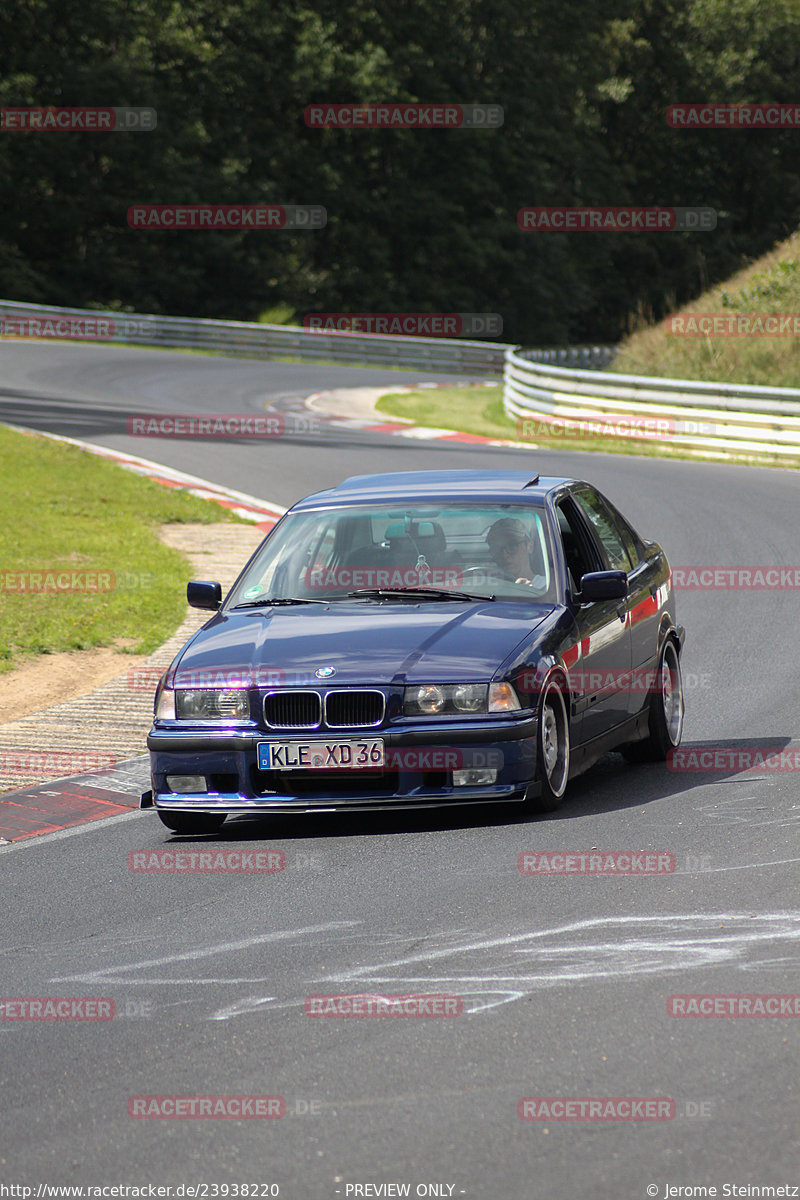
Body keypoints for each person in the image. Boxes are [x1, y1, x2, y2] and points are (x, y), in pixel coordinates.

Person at [485, 517, 543, 586]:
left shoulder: (549, 587)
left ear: (530, 546)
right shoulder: (489, 590)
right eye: (497, 549)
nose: (504, 555)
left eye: (512, 546)